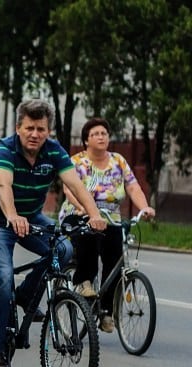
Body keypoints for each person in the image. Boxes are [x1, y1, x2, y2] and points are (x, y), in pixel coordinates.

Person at [0, 99, 108, 367]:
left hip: (32, 216)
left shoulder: (53, 151)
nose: (35, 134)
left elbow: (75, 184)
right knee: (2, 276)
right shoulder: (5, 149)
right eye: (29, 128)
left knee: (63, 249)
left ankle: (25, 295)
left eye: (41, 129)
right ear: (18, 128)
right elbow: (3, 185)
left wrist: (95, 215)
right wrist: (11, 215)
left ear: (48, 131)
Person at [59, 117, 155, 334]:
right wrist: (84, 209)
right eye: (96, 134)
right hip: (78, 214)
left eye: (104, 133)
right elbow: (69, 190)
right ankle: (83, 282)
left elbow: (132, 187)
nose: (101, 137)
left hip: (111, 219)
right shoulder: (78, 162)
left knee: (115, 261)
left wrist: (145, 208)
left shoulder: (118, 161)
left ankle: (106, 312)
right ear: (86, 140)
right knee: (89, 241)